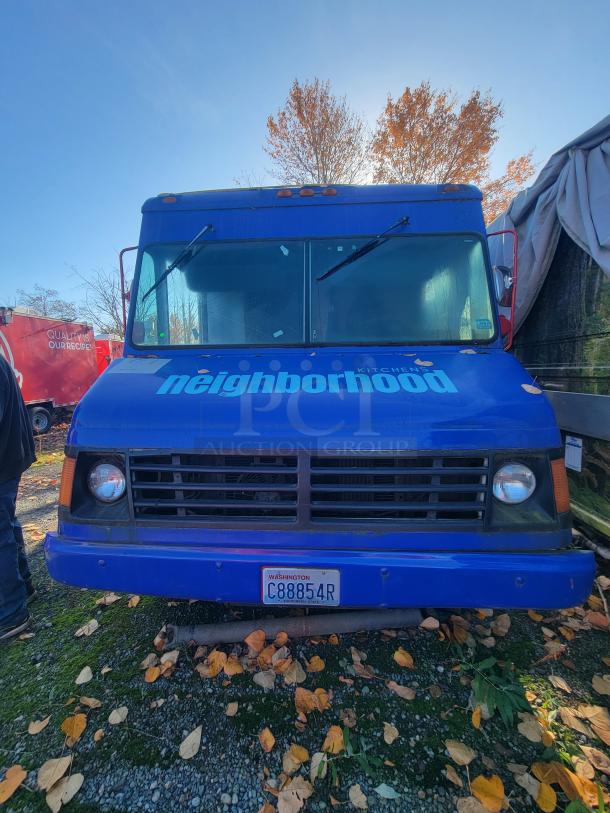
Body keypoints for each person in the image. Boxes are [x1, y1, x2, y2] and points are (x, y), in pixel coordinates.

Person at [0, 353, 36, 641]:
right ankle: (24, 585)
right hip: (11, 456)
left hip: (4, 459)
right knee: (7, 523)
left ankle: (10, 613)